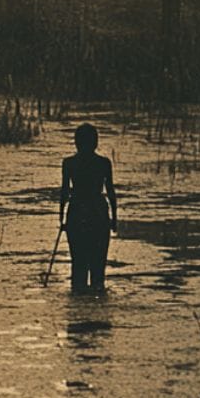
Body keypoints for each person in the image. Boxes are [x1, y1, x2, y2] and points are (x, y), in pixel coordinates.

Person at [60, 123, 118, 293]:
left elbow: (64, 193)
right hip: (98, 212)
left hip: (77, 212)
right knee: (98, 266)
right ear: (95, 142)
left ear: (76, 142)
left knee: (78, 264)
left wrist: (62, 218)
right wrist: (114, 219)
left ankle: (79, 306)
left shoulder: (69, 163)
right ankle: (96, 306)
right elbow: (111, 191)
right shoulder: (103, 163)